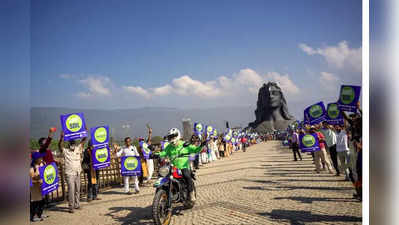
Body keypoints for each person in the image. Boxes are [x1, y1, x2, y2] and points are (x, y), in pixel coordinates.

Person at [154, 128, 207, 201]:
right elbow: (163, 153)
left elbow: (195, 149)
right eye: (170, 137)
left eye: (173, 136)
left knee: (186, 175)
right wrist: (154, 154)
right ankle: (163, 195)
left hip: (183, 166)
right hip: (173, 167)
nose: (172, 138)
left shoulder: (184, 144)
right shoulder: (169, 147)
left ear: (177, 136)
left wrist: (201, 145)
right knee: (162, 175)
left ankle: (191, 193)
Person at [58, 130, 87, 213]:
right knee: (71, 190)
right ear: (69, 144)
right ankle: (71, 207)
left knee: (78, 189)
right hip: (69, 174)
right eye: (71, 144)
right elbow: (60, 146)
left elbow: (83, 140)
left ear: (75, 144)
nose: (72, 145)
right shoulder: (65, 151)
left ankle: (77, 204)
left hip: (78, 172)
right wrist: (61, 138)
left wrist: (84, 132)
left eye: (73, 143)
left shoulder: (78, 148)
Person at [30, 152, 46, 222]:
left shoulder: (42, 164)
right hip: (35, 188)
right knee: (35, 202)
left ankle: (40, 213)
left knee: (42, 201)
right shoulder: (31, 168)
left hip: (42, 187)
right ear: (36, 159)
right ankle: (33, 216)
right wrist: (37, 181)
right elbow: (30, 180)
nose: (41, 159)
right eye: (40, 158)